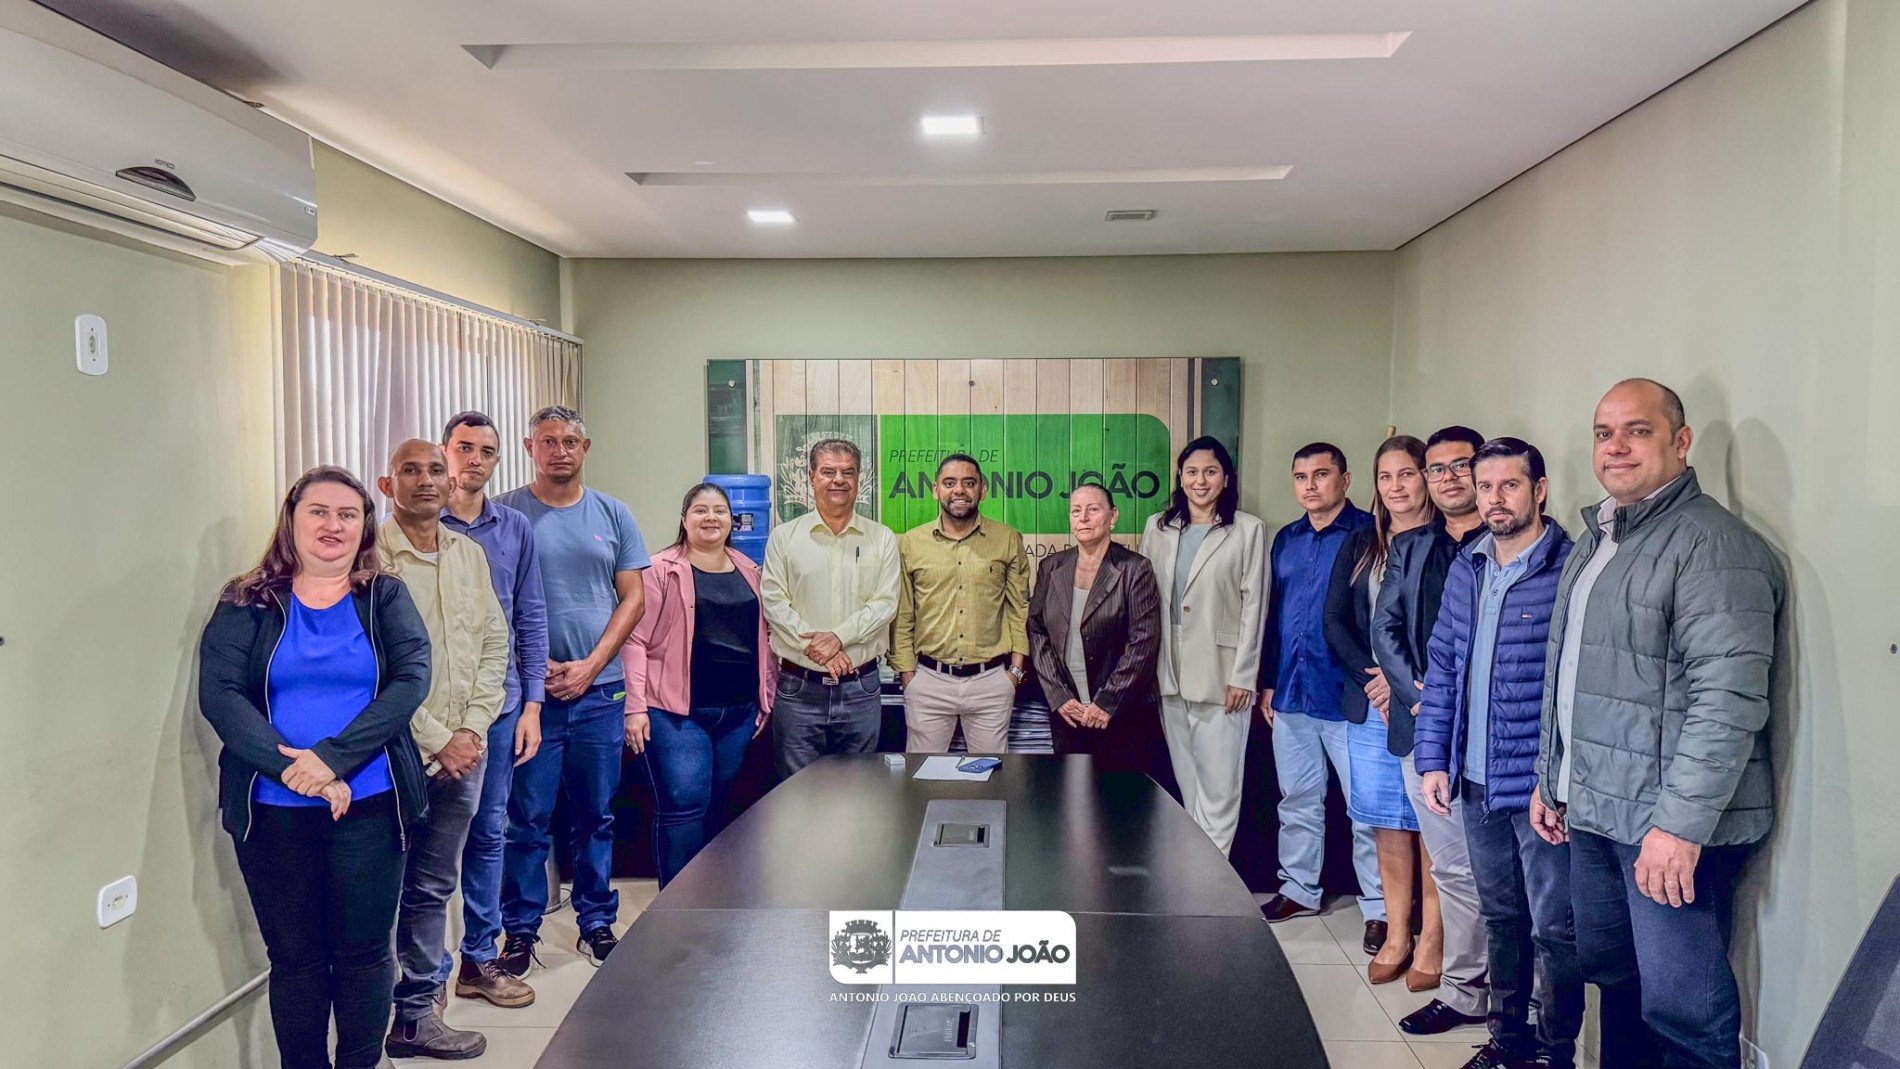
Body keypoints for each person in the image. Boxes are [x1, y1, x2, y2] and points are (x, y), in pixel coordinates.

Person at [1534, 380, 1785, 1069]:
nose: (1616, 446)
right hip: (1595, 811)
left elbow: (1727, 700)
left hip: (1665, 828)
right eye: (1603, 432)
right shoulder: (1599, 539)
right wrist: (1551, 778)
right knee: (1618, 983)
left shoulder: (1713, 546)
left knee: (1684, 1013)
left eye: (1637, 430)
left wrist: (1678, 829)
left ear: (1681, 442)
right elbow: (1574, 676)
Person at [197, 466, 431, 1069]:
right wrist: (294, 771)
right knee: (296, 961)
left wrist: (332, 759)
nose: (333, 525)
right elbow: (221, 695)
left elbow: (410, 681)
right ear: (292, 519)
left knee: (364, 955)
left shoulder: (385, 597)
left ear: (364, 526)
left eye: (347, 514)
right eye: (319, 511)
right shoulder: (246, 600)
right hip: (271, 812)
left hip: (371, 806)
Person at [1416, 437, 1581, 1069]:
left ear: (1539, 490)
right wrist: (1435, 757)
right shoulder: (1470, 565)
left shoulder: (1567, 566)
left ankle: (1554, 1052)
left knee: (1554, 929)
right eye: (1484, 487)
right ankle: (1507, 1042)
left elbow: (1574, 686)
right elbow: (1443, 666)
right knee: (1501, 919)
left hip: (1538, 788)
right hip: (1475, 779)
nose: (1494, 499)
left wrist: (1555, 780)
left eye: (1509, 485)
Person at [497, 405, 650, 969]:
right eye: (547, 441)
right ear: (528, 448)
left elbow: (633, 598)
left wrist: (590, 664)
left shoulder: (613, 513)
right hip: (529, 701)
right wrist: (534, 670)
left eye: (569, 441)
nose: (559, 450)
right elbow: (491, 603)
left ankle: (596, 921)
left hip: (600, 692)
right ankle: (520, 932)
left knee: (596, 816)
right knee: (526, 821)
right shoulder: (504, 514)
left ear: (585, 448)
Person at [374, 441, 511, 1060]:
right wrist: (437, 738)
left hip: (465, 753)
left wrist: (474, 731)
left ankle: (417, 1015)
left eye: (435, 470)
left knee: (433, 886)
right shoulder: (372, 558)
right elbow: (375, 668)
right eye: (411, 470)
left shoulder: (468, 554)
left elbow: (493, 643)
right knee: (383, 888)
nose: (426, 480)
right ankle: (376, 1014)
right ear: (387, 485)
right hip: (395, 753)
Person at [1371, 424, 1493, 1036]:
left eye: (1459, 466)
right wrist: (1421, 697)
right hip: (1423, 730)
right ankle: (1465, 990)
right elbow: (1385, 628)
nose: (1447, 478)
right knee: (1450, 868)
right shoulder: (1412, 546)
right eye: (1436, 469)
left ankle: (1509, 999)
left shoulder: (1508, 540)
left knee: (1499, 873)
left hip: (1493, 735)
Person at [1256, 444, 1384, 954]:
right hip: (1292, 691)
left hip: (1350, 695)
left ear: (1345, 480)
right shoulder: (1286, 539)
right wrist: (1268, 680)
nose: (1310, 485)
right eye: (1300, 476)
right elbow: (1273, 614)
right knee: (1298, 800)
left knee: (1365, 809)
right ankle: (1299, 889)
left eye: (1321, 474)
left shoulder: (1370, 534)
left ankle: (1379, 908)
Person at [622, 483, 778, 886]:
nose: (711, 518)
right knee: (683, 805)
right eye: (701, 510)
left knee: (716, 806)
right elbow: (634, 640)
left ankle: (707, 899)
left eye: (720, 511)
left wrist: (766, 697)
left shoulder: (750, 570)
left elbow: (764, 639)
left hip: (738, 713)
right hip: (676, 713)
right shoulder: (659, 570)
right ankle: (677, 907)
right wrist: (635, 707)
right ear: (684, 519)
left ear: (732, 521)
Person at [438, 411, 543, 1009]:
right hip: (432, 712)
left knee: (489, 829)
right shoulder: (418, 524)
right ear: (446, 452)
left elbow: (530, 613)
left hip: (500, 705)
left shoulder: (514, 527)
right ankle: (421, 973)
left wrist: (532, 703)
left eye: (486, 451)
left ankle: (479, 957)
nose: (474, 459)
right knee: (427, 838)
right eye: (464, 448)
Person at [1322, 436, 1433, 985]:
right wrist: (1375, 678)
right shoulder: (1363, 541)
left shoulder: (1446, 542)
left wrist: (1401, 682)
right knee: (1386, 821)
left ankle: (1433, 942)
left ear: (1426, 477)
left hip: (1425, 703)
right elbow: (1334, 621)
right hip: (1371, 705)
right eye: (1385, 477)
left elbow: (1442, 630)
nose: (1396, 486)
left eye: (1406, 474)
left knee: (1433, 827)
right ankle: (1397, 932)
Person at [1138, 436, 1266, 856]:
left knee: (1219, 789)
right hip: (1169, 666)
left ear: (1226, 478)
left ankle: (1216, 880)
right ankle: (1196, 872)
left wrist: (1243, 676)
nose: (1200, 480)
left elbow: (1255, 606)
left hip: (1221, 671)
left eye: (1210, 472)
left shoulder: (1246, 529)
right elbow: (1145, 598)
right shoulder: (1158, 527)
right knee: (1188, 782)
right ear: (1180, 477)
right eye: (1192, 472)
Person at [759, 437, 901, 778]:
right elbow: (775, 604)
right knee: (796, 792)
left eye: (848, 472)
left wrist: (837, 638)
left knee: (858, 790)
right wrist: (821, 650)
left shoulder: (882, 538)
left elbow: (886, 603)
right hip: (799, 688)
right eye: (828, 472)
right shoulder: (784, 537)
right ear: (811, 477)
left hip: (860, 688)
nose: (839, 480)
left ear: (858, 479)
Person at [892, 454, 1031, 753]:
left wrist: (1015, 673)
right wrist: (908, 675)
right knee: (922, 774)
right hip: (928, 682)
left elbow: (1019, 609)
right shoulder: (911, 543)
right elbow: (904, 614)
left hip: (991, 683)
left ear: (983, 489)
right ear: (935, 489)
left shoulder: (1007, 539)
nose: (959, 490)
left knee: (992, 774)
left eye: (969, 483)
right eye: (949, 483)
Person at [1026, 482, 1165, 775]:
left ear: (1113, 516)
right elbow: (1037, 631)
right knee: (1068, 793)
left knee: (1117, 795)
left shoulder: (1134, 568)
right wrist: (1059, 696)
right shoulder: (1051, 567)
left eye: (1093, 510)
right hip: (1069, 711)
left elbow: (1143, 643)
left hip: (1121, 712)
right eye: (1076, 511)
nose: (1084, 518)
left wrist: (1107, 702)